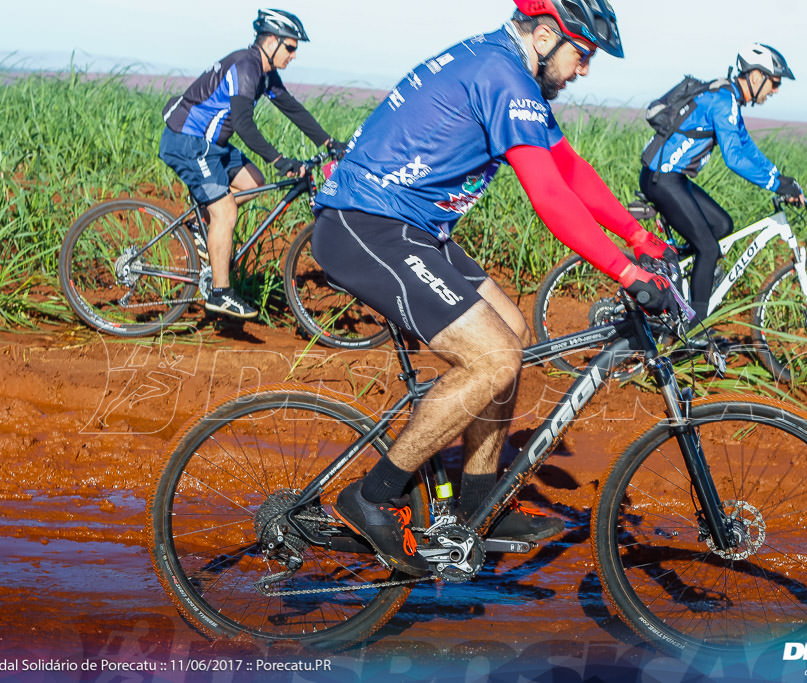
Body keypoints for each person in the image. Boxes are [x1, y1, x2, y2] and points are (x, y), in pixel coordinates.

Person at [312, 0, 680, 576]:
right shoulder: (501, 75)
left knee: (514, 331)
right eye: (582, 55)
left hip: (414, 228)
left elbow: (568, 169)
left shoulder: (510, 70)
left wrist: (640, 237)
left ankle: (476, 506)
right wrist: (628, 272)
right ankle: (372, 496)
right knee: (493, 358)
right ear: (542, 35)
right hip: (368, 225)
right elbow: (550, 198)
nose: (584, 70)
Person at [158, 8, 345, 319]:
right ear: (270, 41)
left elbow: (292, 108)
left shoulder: (264, 72)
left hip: (210, 144)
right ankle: (220, 293)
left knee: (254, 182)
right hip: (188, 140)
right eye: (290, 47)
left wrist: (328, 142)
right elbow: (244, 125)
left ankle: (199, 227)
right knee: (226, 210)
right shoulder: (246, 67)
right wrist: (279, 159)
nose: (294, 55)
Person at [639, 43, 807, 327]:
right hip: (662, 178)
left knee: (722, 226)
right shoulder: (722, 101)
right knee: (707, 247)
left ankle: (676, 276)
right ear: (756, 77)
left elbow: (747, 148)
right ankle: (695, 327)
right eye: (774, 82)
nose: (775, 89)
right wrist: (774, 185)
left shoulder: (729, 100)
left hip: (672, 177)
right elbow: (735, 158)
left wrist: (780, 178)